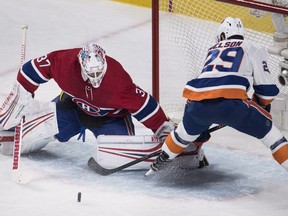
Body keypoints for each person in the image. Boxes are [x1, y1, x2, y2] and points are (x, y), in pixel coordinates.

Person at [146, 17, 288, 176]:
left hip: (195, 105)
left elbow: (210, 88)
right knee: (274, 139)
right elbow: (267, 91)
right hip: (232, 106)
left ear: (222, 36)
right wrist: (261, 107)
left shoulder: (212, 49)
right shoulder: (252, 47)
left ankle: (155, 168)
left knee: (182, 135)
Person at [0, 43, 178, 155]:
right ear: (80, 64)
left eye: (98, 72)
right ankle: (14, 126)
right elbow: (30, 70)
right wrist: (23, 96)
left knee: (119, 155)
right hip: (72, 108)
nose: (95, 79)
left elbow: (144, 104)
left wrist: (163, 128)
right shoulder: (65, 62)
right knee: (27, 138)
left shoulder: (118, 80)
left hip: (110, 119)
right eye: (90, 73)